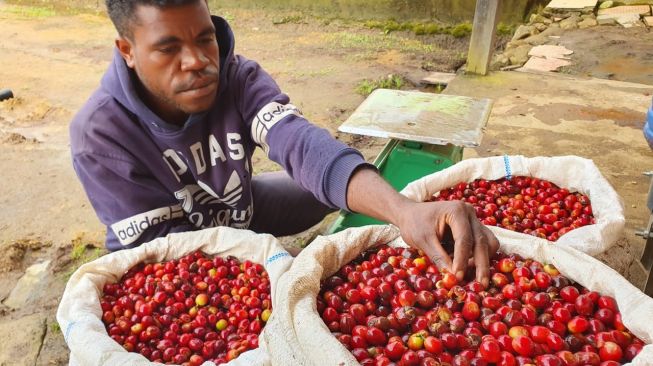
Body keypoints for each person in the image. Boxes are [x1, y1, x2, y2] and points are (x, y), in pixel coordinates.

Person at [70, 0, 499, 286]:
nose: (197, 61)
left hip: (240, 208)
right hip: (168, 250)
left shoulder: (236, 77)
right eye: (168, 49)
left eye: (204, 38)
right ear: (127, 49)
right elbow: (170, 249)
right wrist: (279, 267)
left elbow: (301, 144)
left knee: (342, 187)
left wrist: (403, 211)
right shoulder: (101, 134)